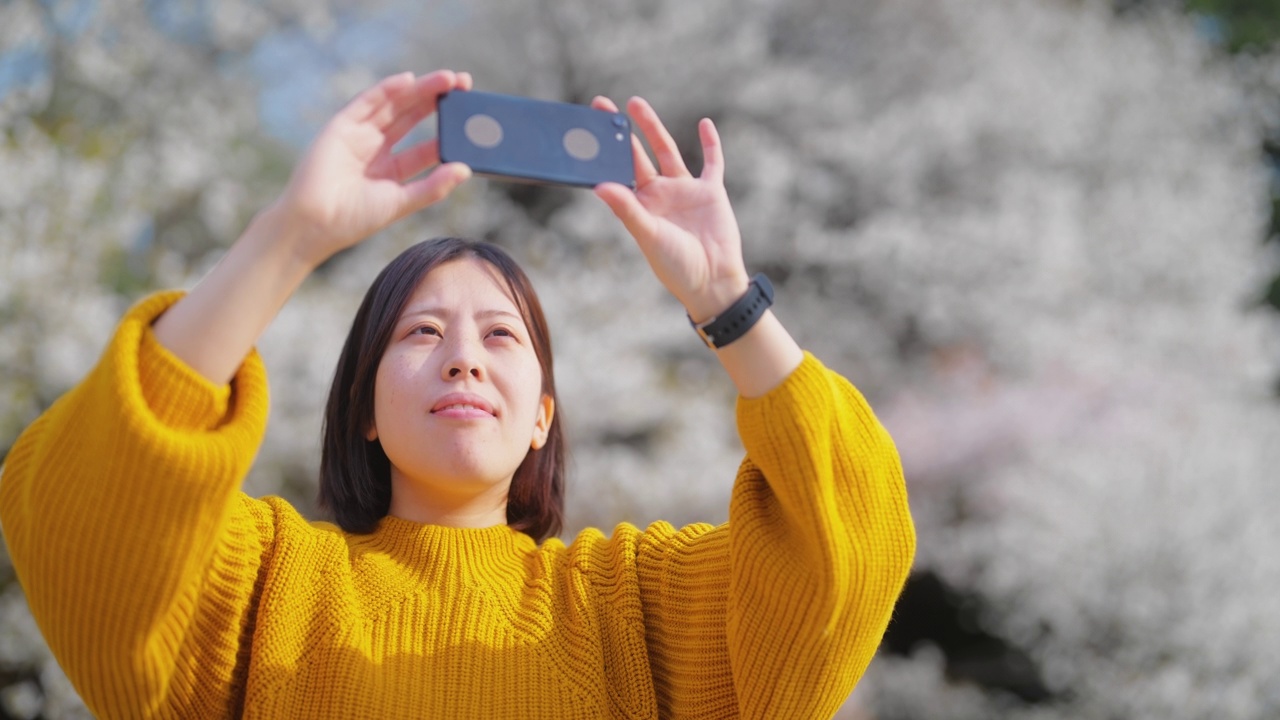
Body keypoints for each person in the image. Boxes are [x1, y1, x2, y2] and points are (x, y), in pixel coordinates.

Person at [0, 69, 915, 718]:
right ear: (361, 403)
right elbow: (79, 518)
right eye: (422, 333)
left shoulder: (634, 607)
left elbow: (851, 552)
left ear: (542, 417)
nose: (464, 360)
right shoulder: (265, 588)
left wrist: (726, 298)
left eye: (502, 336)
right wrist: (287, 240)